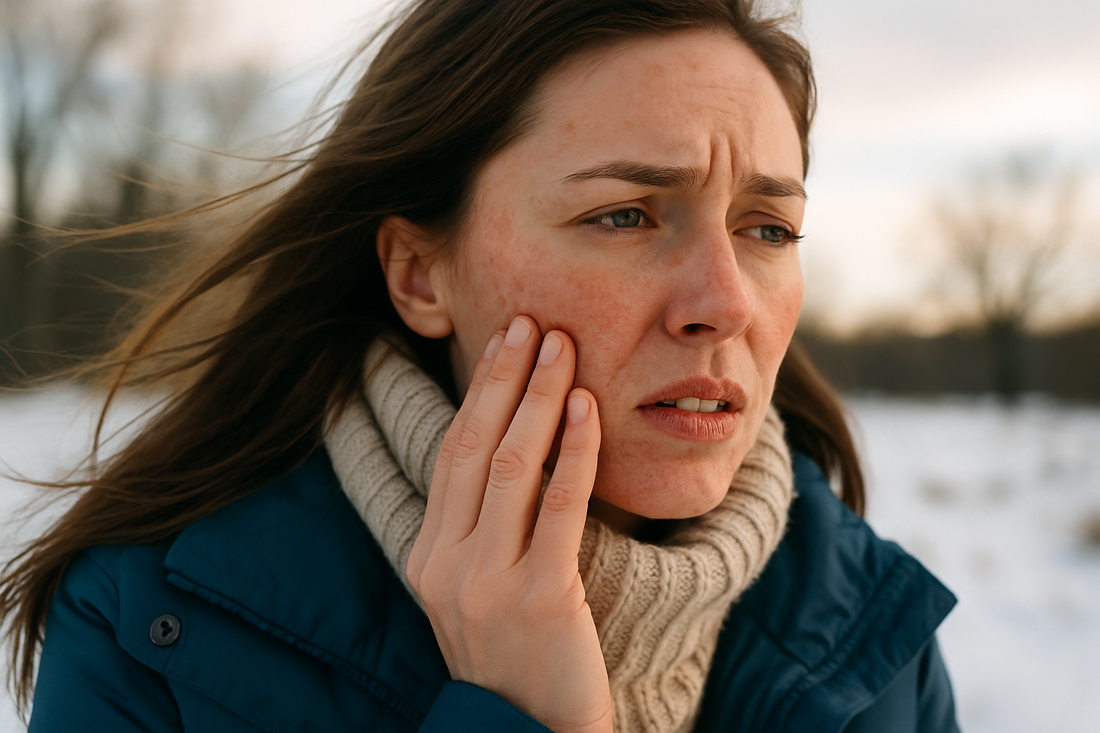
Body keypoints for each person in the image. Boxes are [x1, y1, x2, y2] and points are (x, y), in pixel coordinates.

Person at [0, 0, 960, 731]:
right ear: (421, 274)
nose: (726, 301)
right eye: (625, 214)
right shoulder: (153, 625)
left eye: (768, 228)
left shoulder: (871, 638)